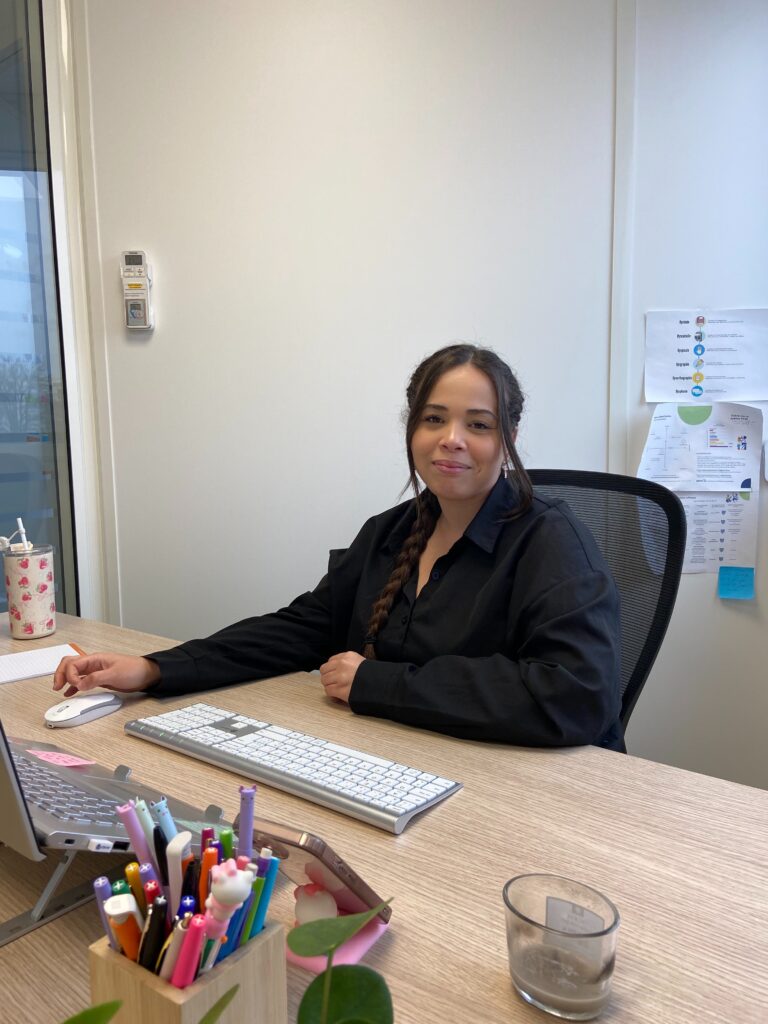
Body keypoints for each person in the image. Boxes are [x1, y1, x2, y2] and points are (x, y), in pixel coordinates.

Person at [54, 344, 624, 751]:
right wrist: (154, 669)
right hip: (410, 758)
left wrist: (378, 685)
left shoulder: (552, 541)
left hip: (533, 788)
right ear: (412, 430)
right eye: (434, 418)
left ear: (508, 440)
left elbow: (576, 696)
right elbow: (298, 630)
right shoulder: (392, 532)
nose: (451, 439)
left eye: (478, 424)